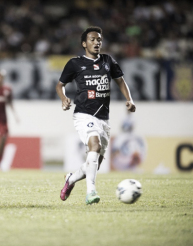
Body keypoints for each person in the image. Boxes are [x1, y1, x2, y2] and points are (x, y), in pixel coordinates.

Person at [57, 26, 136, 205]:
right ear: (84, 43)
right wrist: (64, 98)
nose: (97, 42)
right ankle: (91, 192)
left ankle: (70, 179)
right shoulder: (75, 63)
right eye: (92, 39)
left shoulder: (108, 61)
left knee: (94, 164)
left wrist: (129, 100)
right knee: (95, 144)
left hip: (103, 118)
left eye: (99, 39)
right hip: (83, 114)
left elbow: (121, 81)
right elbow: (60, 85)